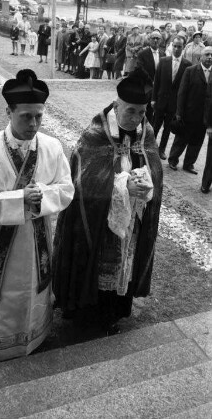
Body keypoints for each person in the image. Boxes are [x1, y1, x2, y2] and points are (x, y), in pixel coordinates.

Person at [0, 69, 74, 362]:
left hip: (36, 239)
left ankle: (33, 335)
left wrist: (42, 198)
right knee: (4, 294)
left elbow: (66, 188)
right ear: (8, 111)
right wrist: (18, 199)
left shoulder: (51, 147)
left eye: (39, 115)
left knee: (32, 289)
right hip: (0, 240)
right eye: (26, 116)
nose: (34, 123)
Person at [53, 68, 163, 334]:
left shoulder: (145, 130)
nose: (137, 118)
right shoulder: (96, 132)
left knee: (123, 264)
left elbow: (154, 168)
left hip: (131, 218)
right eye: (130, 111)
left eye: (141, 112)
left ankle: (115, 310)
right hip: (98, 218)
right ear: (116, 104)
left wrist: (146, 183)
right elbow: (83, 181)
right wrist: (124, 185)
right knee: (97, 260)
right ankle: (86, 312)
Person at [168, 47, 212, 174]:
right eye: (207, 54)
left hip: (204, 116)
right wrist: (179, 113)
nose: (210, 57)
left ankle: (189, 164)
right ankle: (173, 160)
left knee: (197, 142)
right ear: (200, 58)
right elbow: (182, 93)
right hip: (188, 113)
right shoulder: (191, 71)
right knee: (181, 139)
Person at [152, 37, 192, 160]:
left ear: (183, 47)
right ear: (171, 46)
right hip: (160, 100)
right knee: (155, 125)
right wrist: (153, 99)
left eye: (179, 46)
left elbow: (186, 89)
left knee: (168, 128)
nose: (176, 49)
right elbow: (156, 81)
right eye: (174, 46)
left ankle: (162, 149)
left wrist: (181, 107)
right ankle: (150, 147)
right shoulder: (163, 61)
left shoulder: (187, 65)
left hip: (174, 103)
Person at [136, 30, 165, 125]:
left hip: (158, 89)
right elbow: (140, 69)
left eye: (158, 38)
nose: (155, 40)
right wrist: (151, 81)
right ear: (149, 40)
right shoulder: (142, 53)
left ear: (161, 41)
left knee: (154, 112)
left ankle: (149, 132)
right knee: (143, 111)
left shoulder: (163, 54)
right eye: (153, 38)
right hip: (146, 86)